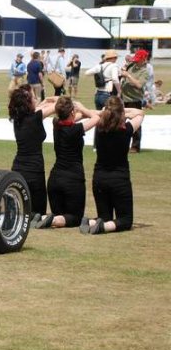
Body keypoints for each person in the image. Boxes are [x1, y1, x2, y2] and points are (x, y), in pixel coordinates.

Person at [80, 97, 144, 235]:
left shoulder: (100, 127)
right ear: (120, 113)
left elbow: (92, 113)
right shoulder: (127, 129)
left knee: (105, 217)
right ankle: (102, 227)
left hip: (99, 179)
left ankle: (91, 222)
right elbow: (140, 113)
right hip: (119, 180)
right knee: (125, 220)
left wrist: (109, 111)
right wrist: (123, 112)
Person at [34, 97, 99, 229]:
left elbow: (72, 118)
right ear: (72, 113)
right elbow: (96, 119)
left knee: (61, 215)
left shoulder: (56, 123)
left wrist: (79, 112)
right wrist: (83, 108)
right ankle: (49, 220)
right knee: (75, 218)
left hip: (55, 180)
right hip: (73, 180)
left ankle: (45, 218)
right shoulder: (75, 130)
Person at [8, 85, 57, 220]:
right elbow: (60, 104)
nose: (36, 99)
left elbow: (39, 107)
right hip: (34, 171)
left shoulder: (18, 118)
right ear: (28, 102)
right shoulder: (36, 117)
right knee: (38, 214)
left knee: (21, 212)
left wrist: (45, 101)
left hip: (18, 168)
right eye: (33, 97)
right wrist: (53, 96)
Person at [120, 49, 150, 153]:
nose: (136, 61)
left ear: (144, 60)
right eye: (135, 59)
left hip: (134, 100)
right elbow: (124, 68)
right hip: (124, 98)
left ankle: (135, 147)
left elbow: (139, 85)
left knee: (136, 124)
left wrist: (128, 75)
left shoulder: (145, 71)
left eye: (138, 60)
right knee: (121, 122)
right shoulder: (131, 66)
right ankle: (121, 144)